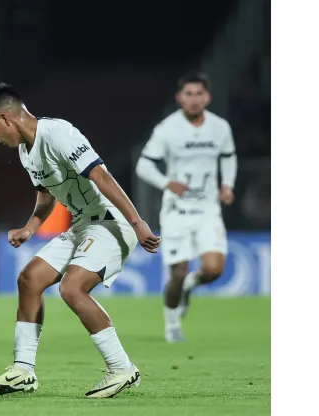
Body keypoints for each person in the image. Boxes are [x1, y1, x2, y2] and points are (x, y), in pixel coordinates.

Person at [0, 83, 161, 398]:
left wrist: (138, 223)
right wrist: (29, 228)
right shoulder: (25, 151)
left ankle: (121, 368)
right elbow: (46, 195)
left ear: (6, 119)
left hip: (111, 221)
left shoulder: (58, 133)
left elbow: (102, 177)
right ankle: (23, 371)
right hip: (83, 224)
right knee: (30, 279)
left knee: (72, 288)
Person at [135, 71, 237, 343]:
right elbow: (143, 166)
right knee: (177, 271)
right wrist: (168, 183)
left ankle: (192, 285)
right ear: (180, 98)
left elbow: (228, 157)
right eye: (188, 94)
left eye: (199, 94)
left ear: (208, 97)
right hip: (177, 212)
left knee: (214, 270)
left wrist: (227, 185)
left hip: (207, 210)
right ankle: (172, 325)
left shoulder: (220, 127)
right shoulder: (167, 129)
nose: (194, 100)